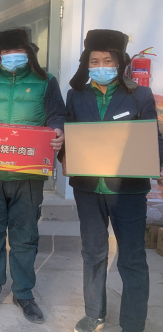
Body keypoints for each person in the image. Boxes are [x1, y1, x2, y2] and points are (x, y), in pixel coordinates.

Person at [63, 29, 163, 332]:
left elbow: (153, 141)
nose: (101, 66)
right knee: (93, 252)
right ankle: (94, 313)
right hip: (88, 188)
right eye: (95, 61)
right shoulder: (76, 95)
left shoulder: (140, 95)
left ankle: (133, 323)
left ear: (120, 62)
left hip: (128, 190)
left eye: (108, 61)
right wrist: (62, 152)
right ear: (86, 64)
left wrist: (156, 166)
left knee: (132, 258)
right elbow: (67, 136)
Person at [0, 27, 66, 323]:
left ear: (29, 51)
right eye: (5, 51)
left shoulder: (46, 81)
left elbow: (56, 114)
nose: (11, 56)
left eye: (17, 50)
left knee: (25, 236)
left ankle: (23, 293)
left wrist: (58, 130)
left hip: (28, 174)